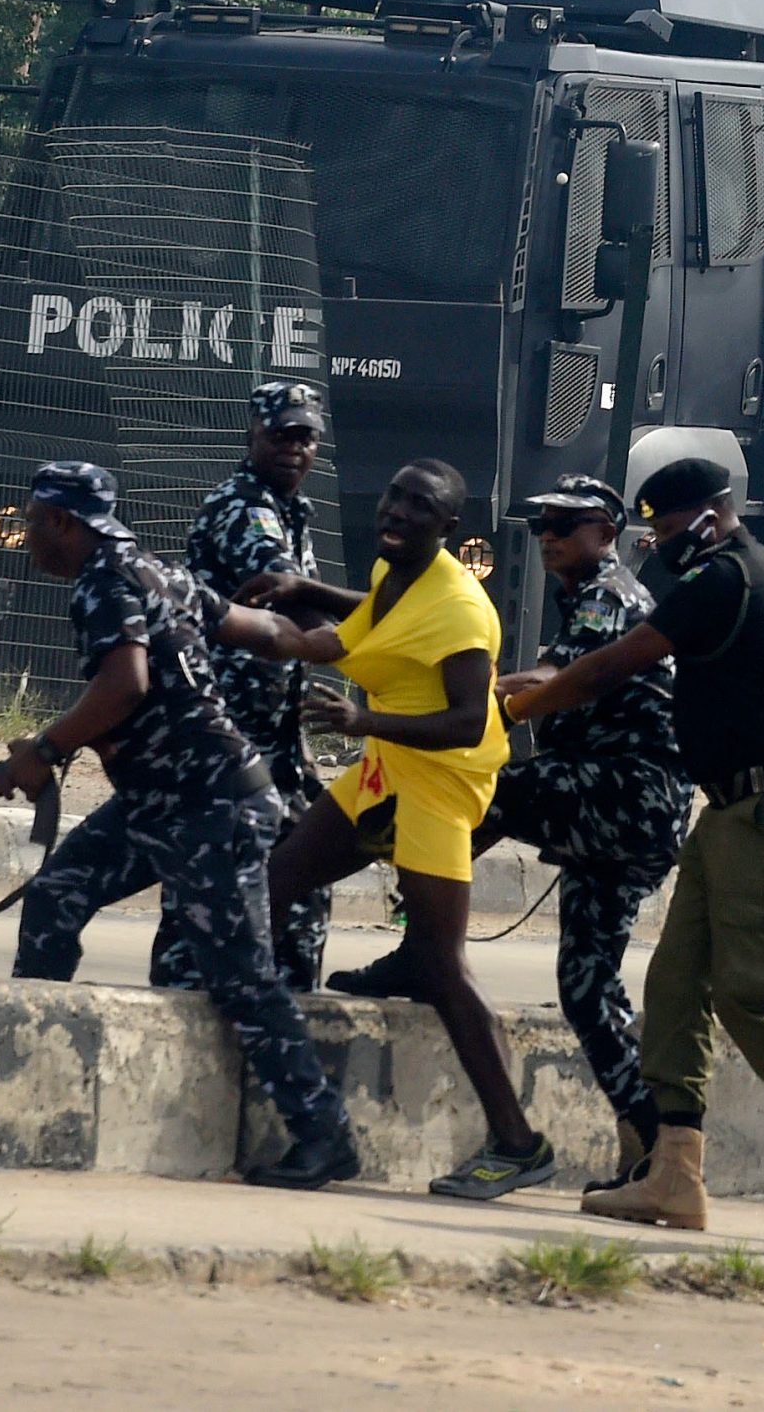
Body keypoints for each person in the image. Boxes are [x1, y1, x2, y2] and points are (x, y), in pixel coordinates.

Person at [504, 458, 764, 1237]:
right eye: (651, 529)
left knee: (748, 992)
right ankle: (674, 1177)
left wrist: (517, 707)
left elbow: (608, 667)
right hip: (731, 806)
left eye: (666, 528)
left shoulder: (730, 575)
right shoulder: (721, 571)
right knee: (677, 985)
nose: (657, 544)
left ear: (712, 519)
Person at [4, 461, 358, 1192]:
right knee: (55, 895)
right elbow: (252, 628)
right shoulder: (155, 573)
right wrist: (313, 644)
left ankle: (325, 1136)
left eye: (35, 521)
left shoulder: (109, 581)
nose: (30, 534)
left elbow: (125, 683)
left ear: (62, 522)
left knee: (243, 980)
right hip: (158, 804)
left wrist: (44, 750)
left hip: (210, 804)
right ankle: (34, 1076)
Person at [331, 476, 690, 1192]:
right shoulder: (590, 594)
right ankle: (660, 1153)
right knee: (586, 987)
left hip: (626, 795)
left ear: (606, 532)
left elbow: (565, 675)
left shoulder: (608, 595)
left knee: (489, 793)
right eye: (539, 525)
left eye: (564, 523)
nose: (549, 535)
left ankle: (421, 948)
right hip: (626, 815)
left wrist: (490, 696)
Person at [242, 461, 552, 1200]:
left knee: (445, 965)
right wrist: (307, 592)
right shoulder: (397, 573)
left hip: (439, 786)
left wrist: (362, 720)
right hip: (384, 773)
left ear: (448, 528)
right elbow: (373, 620)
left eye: (422, 506)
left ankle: (518, 1144)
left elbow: (466, 721)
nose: (401, 511)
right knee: (271, 886)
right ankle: (295, 1088)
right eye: (396, 495)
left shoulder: (462, 610)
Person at [156, 378, 333, 994]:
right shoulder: (244, 510)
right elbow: (298, 607)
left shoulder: (289, 512)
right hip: (227, 737)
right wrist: (399, 635)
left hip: (273, 740)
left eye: (306, 436)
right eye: (281, 434)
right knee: (211, 894)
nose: (294, 447)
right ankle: (185, 1012)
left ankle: (284, 1017)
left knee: (301, 884)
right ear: (252, 434)